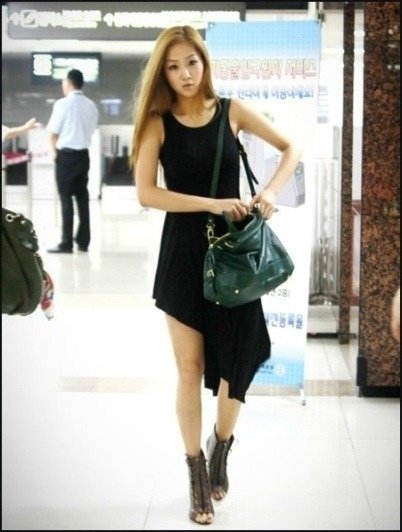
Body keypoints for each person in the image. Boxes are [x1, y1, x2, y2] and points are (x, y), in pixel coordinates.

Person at [132, 26, 302, 525]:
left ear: (205, 63)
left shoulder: (232, 111)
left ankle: (221, 445)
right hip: (183, 255)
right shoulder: (157, 123)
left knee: (237, 363)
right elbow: (146, 193)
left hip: (235, 257)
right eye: (173, 67)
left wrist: (269, 192)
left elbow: (290, 148)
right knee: (189, 368)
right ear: (163, 73)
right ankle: (196, 472)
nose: (185, 74)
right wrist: (210, 203)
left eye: (192, 62)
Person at [46, 69, 98, 253]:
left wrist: (54, 152)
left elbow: (53, 132)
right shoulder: (91, 105)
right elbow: (91, 129)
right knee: (82, 197)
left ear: (68, 83)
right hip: (83, 156)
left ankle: (66, 242)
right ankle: (84, 241)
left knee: (66, 198)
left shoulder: (62, 104)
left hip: (66, 157)